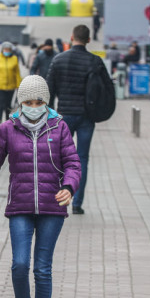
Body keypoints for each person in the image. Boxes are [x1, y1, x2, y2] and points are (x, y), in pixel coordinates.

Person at [0, 75, 81, 298]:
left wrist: (70, 186)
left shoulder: (59, 127)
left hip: (52, 207)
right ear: (20, 102)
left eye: (38, 101)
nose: (33, 106)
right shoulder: (8, 128)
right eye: (28, 101)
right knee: (19, 264)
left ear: (46, 101)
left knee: (42, 269)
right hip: (20, 206)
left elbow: (73, 163)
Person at [45, 24, 110, 215]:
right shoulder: (94, 61)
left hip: (63, 117)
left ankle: (57, 198)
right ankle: (77, 202)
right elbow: (106, 89)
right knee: (82, 159)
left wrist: (50, 117)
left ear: (72, 37)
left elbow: (49, 91)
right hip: (86, 117)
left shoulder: (58, 60)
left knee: (59, 158)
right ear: (89, 40)